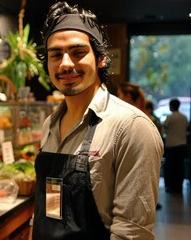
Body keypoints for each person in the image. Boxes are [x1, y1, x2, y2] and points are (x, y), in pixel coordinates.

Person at [30, 2, 164, 239]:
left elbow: (131, 232)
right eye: (56, 55)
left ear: (101, 58)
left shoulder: (131, 127)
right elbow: (53, 207)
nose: (66, 64)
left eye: (78, 52)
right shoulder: (50, 124)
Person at [162, 98, 188, 193]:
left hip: (171, 145)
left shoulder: (170, 117)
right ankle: (179, 185)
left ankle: (171, 186)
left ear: (171, 106)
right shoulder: (184, 117)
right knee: (180, 166)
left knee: (170, 167)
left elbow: (164, 127)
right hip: (182, 145)